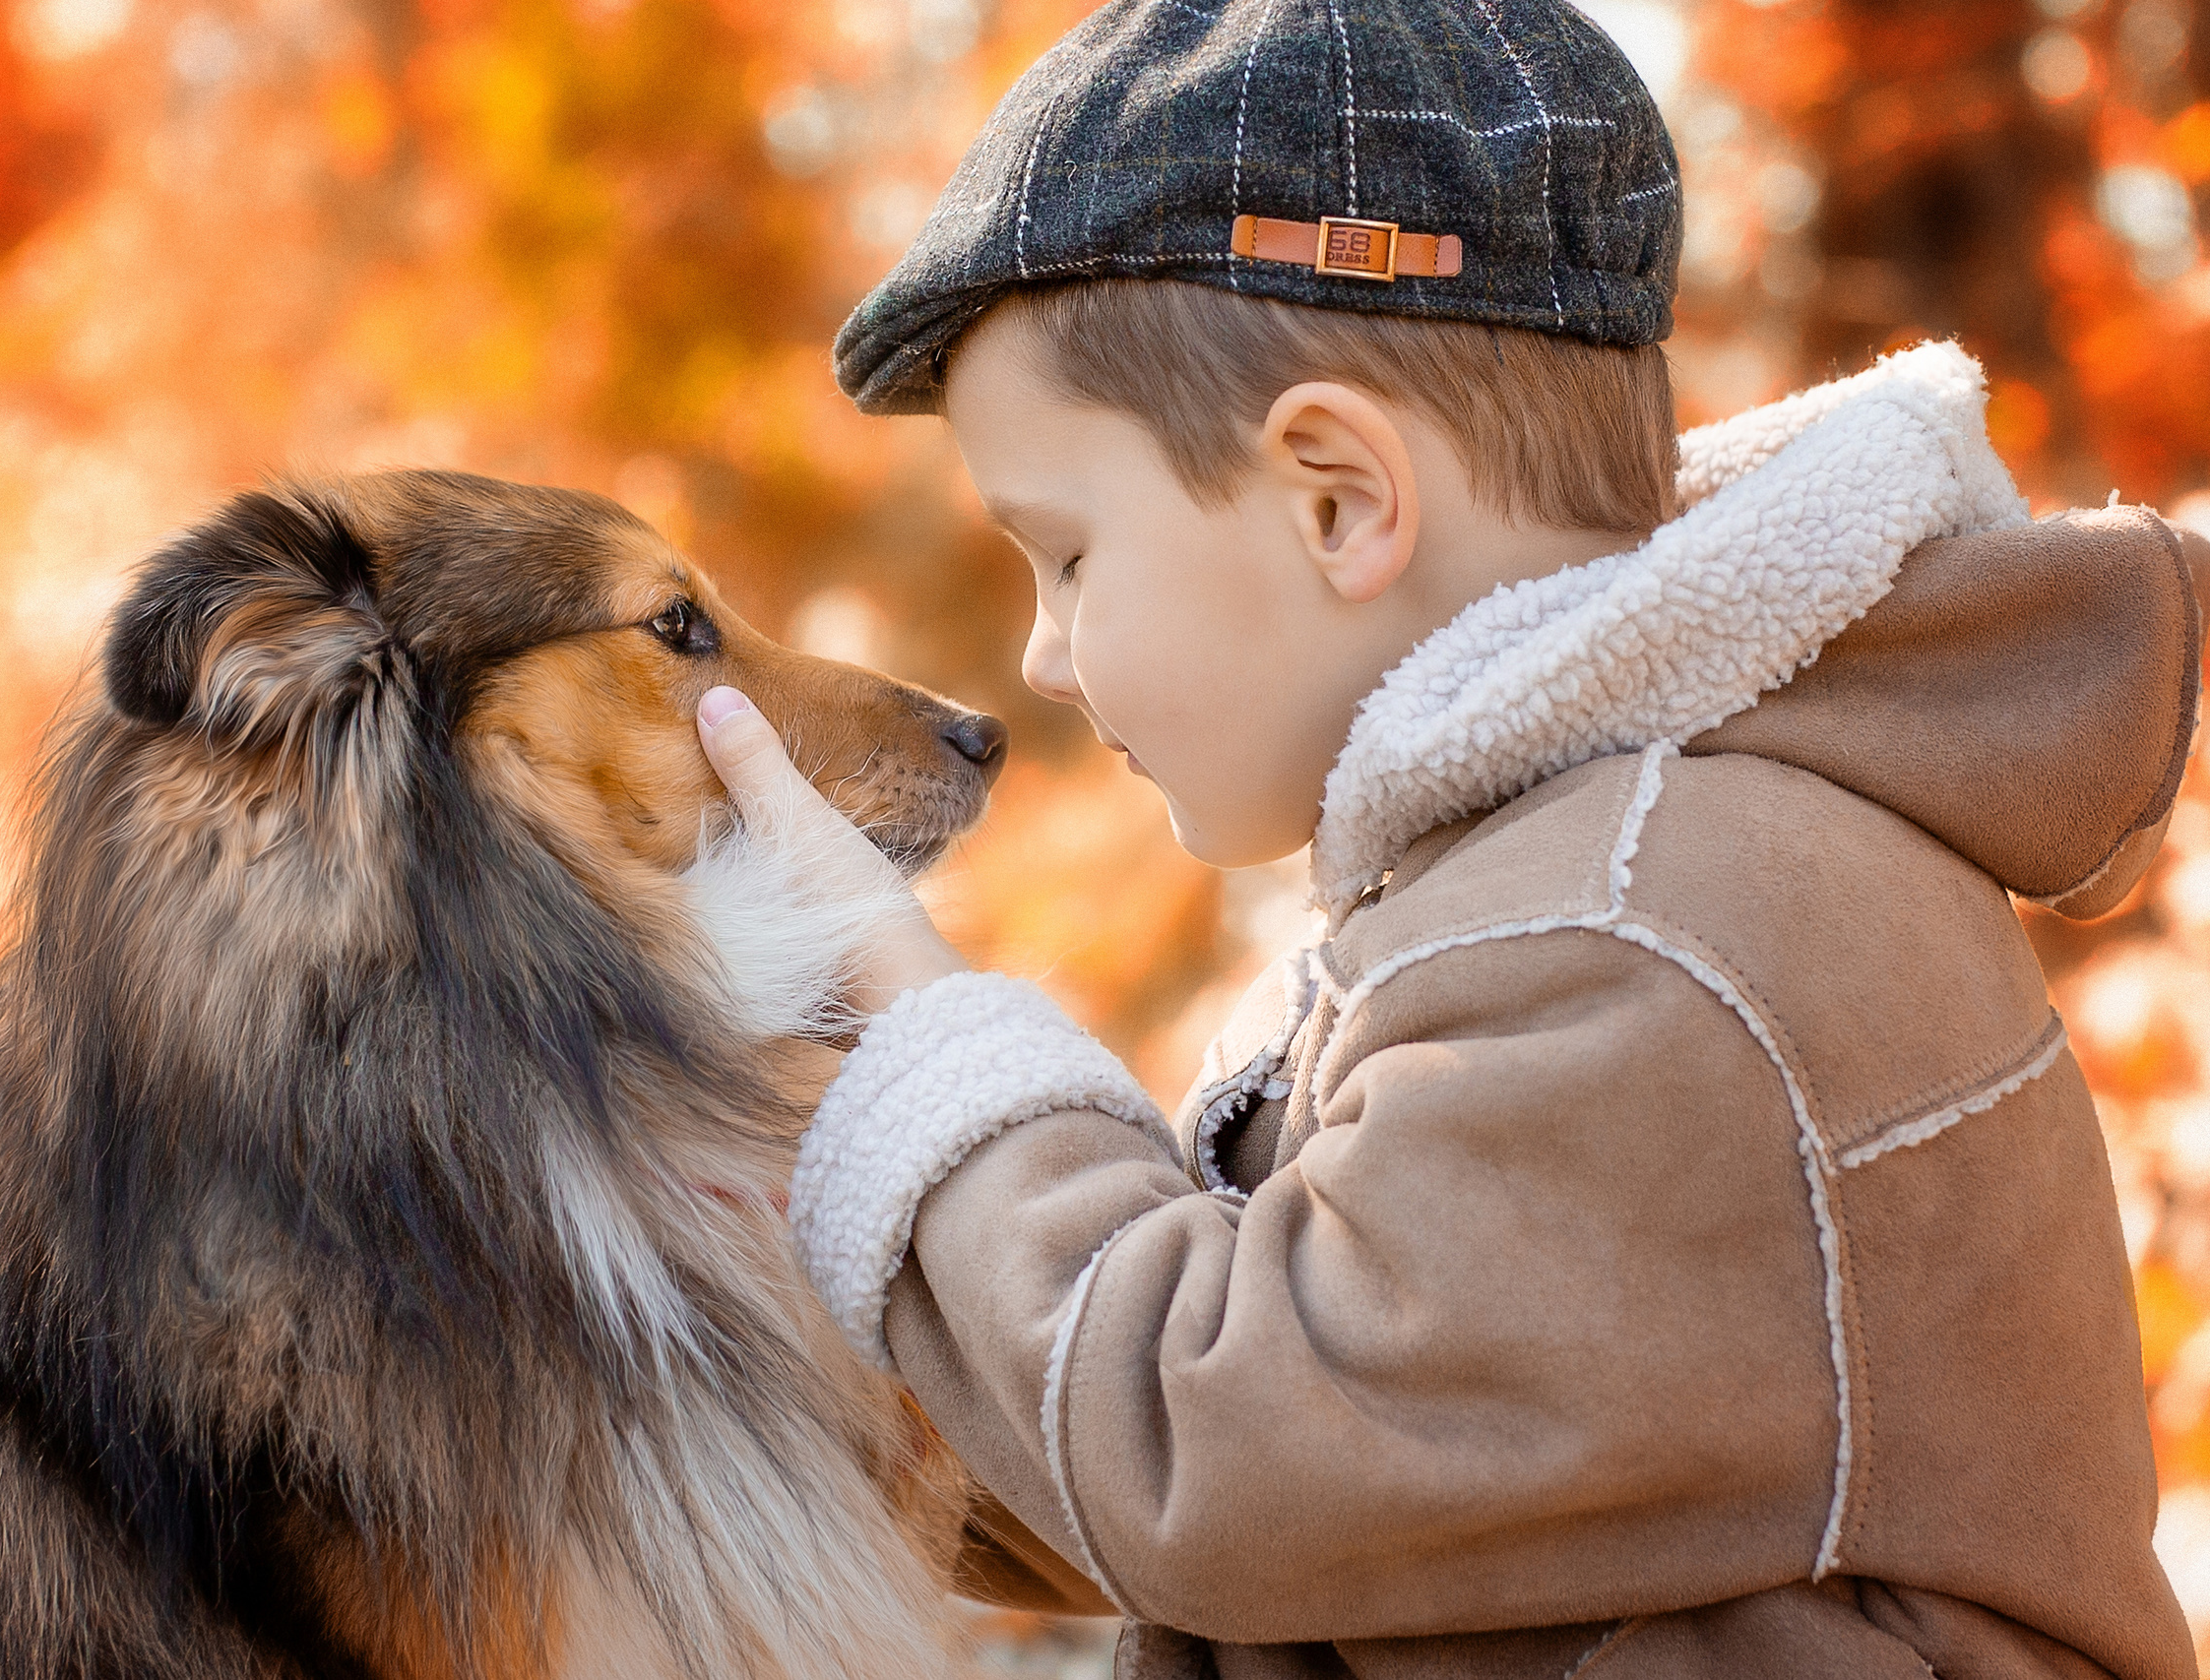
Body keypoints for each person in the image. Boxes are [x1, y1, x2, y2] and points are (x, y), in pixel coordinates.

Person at [694, 2, 2205, 1674]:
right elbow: (1235, 1511)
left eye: (1064, 557)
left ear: (1335, 497)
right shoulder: (1548, 881)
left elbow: (1214, 1465)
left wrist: (919, 1034)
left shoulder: (1641, 935)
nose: (1043, 654)